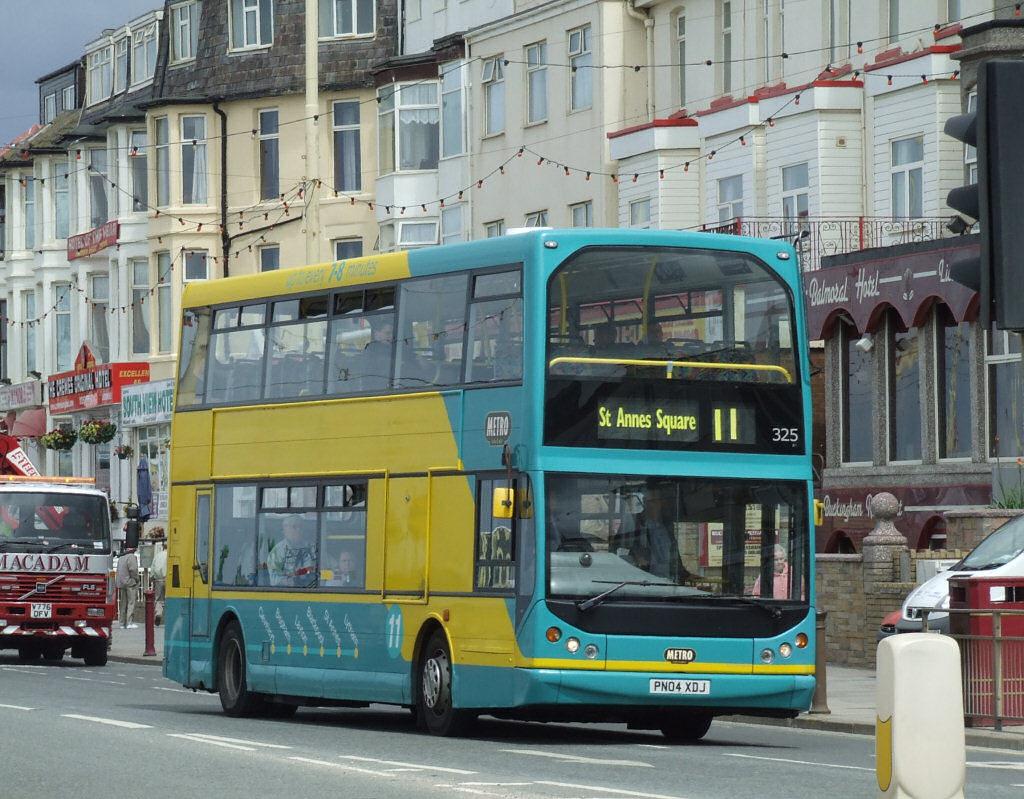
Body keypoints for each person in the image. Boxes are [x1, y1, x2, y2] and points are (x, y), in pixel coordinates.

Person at [267, 517, 317, 587]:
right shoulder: (277, 551)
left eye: (301, 527)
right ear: (285, 530)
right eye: (294, 527)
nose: (298, 530)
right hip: (287, 590)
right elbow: (274, 579)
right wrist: (287, 581)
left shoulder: (311, 547)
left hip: (311, 587)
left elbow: (318, 567)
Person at [115, 545, 140, 629]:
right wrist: (136, 579)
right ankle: (129, 622)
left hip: (121, 583)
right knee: (131, 602)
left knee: (123, 603)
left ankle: (122, 623)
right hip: (130, 582)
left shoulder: (121, 558)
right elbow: (133, 570)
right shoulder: (131, 557)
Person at [150, 541, 167, 623]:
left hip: (158, 580)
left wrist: (151, 577)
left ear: (163, 547)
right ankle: (169, 616)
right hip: (168, 579)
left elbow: (153, 568)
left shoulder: (158, 555)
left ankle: (158, 613)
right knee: (170, 598)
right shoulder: (171, 555)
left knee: (159, 598)